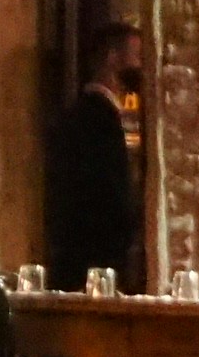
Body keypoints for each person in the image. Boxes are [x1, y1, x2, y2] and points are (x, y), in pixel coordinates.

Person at [42, 20, 145, 289]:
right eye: (136, 57)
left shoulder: (83, 113)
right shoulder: (97, 118)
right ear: (112, 58)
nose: (140, 67)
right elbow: (108, 195)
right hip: (96, 268)